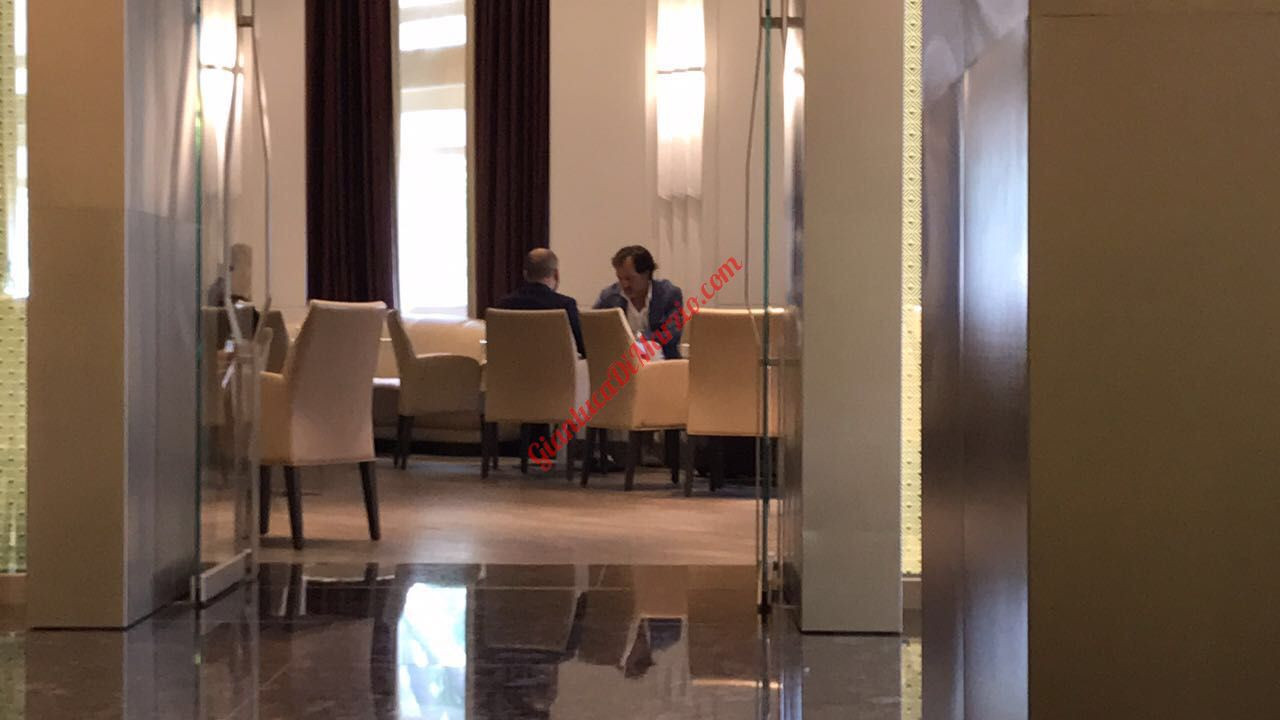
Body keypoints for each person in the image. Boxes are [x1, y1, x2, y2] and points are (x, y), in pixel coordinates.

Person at [593, 246, 684, 359]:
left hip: (662, 361)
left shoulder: (668, 294)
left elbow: (672, 334)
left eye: (629, 279)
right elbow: (594, 330)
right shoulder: (609, 297)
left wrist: (639, 340)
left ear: (646, 274)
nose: (624, 285)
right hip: (622, 360)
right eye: (620, 279)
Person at [493, 248, 586, 357]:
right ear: (556, 274)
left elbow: (495, 345)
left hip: (512, 366)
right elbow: (583, 346)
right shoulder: (565, 305)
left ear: (525, 274)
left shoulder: (504, 305)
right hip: (554, 367)